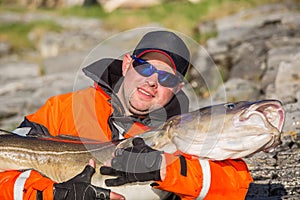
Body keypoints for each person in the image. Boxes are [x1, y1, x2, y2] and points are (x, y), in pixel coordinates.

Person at [0, 30, 253, 200]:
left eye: (166, 78)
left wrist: (165, 169)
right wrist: (52, 194)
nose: (152, 81)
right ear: (127, 64)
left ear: (178, 88)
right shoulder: (62, 109)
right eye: (145, 67)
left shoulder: (182, 130)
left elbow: (236, 183)